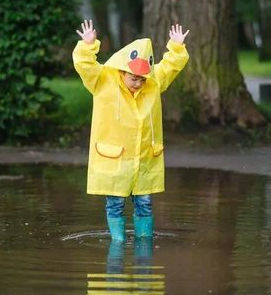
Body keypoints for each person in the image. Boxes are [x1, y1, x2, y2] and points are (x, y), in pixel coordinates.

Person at [73, 19, 189, 241]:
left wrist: (176, 47)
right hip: (116, 159)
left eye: (142, 79)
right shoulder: (103, 81)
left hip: (143, 159)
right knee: (115, 203)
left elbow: (169, 67)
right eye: (134, 78)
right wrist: (88, 46)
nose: (138, 83)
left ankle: (144, 244)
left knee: (144, 202)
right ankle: (118, 244)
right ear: (123, 71)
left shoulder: (153, 83)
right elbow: (84, 65)